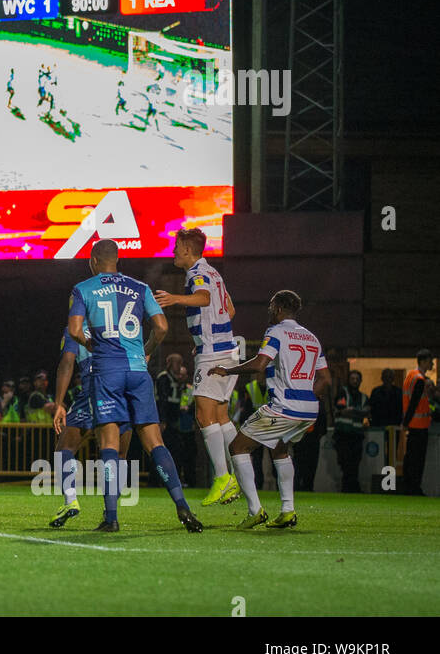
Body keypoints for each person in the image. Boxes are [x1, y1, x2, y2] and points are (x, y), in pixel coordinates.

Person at [68, 238, 202, 533]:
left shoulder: (83, 289)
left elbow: (75, 330)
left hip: (107, 371)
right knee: (155, 442)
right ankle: (182, 506)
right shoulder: (139, 287)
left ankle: (111, 517)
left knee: (109, 446)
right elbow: (163, 327)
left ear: (93, 261)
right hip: (138, 370)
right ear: (118, 260)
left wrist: (89, 342)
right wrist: (147, 348)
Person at [213, 290, 330, 529]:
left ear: (277, 308)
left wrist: (227, 370)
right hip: (309, 409)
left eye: (270, 306)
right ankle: (288, 511)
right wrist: (306, 396)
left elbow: (260, 364)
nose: (269, 310)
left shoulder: (276, 332)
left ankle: (255, 511)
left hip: (284, 406)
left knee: (237, 447)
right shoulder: (312, 338)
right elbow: (326, 380)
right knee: (279, 449)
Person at [153, 227, 241, 506]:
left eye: (176, 247)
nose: (173, 251)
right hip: (227, 347)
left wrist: (175, 298)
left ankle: (223, 477)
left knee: (204, 416)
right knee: (221, 416)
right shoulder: (215, 272)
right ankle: (239, 473)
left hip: (213, 353)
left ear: (188, 250)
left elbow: (203, 298)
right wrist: (203, 335)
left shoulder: (196, 274)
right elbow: (230, 310)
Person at [51, 325, 132, 527]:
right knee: (119, 454)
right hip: (126, 386)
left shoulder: (76, 326)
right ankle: (110, 514)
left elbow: (67, 362)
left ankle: (71, 501)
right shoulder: (118, 320)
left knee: (64, 450)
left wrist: (59, 403)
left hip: (95, 386)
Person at [399, 349, 439, 495]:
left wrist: (405, 422)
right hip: (419, 425)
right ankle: (414, 487)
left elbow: (408, 402)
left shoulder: (410, 376)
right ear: (423, 361)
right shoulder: (420, 380)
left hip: (413, 425)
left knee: (410, 458)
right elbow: (415, 402)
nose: (432, 363)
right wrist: (406, 422)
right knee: (417, 460)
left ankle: (408, 486)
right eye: (430, 361)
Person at [332, 369, 370, 493]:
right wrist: (358, 412)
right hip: (343, 435)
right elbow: (341, 410)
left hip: (357, 435)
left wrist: (351, 411)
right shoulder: (343, 392)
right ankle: (350, 488)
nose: (355, 381)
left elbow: (367, 412)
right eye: (352, 379)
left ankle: (351, 488)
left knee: (355, 464)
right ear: (348, 380)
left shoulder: (364, 397)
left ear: (360, 381)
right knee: (345, 464)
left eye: (357, 379)